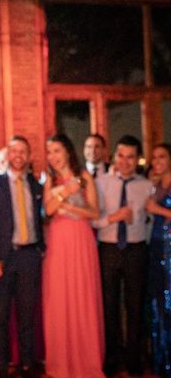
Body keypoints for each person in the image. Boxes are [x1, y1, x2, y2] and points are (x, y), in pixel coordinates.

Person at [0, 136, 44, 378]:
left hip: (29, 256)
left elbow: (40, 219)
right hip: (2, 259)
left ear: (28, 156)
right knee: (2, 315)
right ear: (7, 154)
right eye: (14, 150)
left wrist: (42, 249)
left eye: (23, 151)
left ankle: (27, 364)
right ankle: (3, 366)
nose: (18, 155)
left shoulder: (36, 184)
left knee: (27, 315)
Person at [42, 134, 104, 378]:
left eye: (57, 151)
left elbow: (94, 212)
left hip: (81, 239)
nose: (53, 157)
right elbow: (47, 210)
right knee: (59, 297)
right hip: (57, 241)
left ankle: (87, 362)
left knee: (82, 295)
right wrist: (65, 191)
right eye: (49, 152)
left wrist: (67, 206)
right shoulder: (50, 179)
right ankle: (61, 364)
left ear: (68, 152)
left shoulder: (84, 176)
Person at [94, 135, 153, 377]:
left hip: (135, 248)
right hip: (108, 247)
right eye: (121, 155)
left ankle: (133, 359)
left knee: (135, 305)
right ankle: (112, 358)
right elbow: (93, 219)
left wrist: (136, 219)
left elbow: (149, 220)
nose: (125, 161)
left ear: (137, 159)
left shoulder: (146, 185)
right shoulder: (100, 182)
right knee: (108, 306)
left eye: (130, 156)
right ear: (113, 156)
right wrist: (114, 217)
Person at [145, 143, 171, 378]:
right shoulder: (156, 184)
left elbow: (157, 210)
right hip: (155, 248)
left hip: (170, 249)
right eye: (154, 157)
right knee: (158, 305)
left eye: (162, 157)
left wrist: (158, 209)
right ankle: (162, 362)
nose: (157, 161)